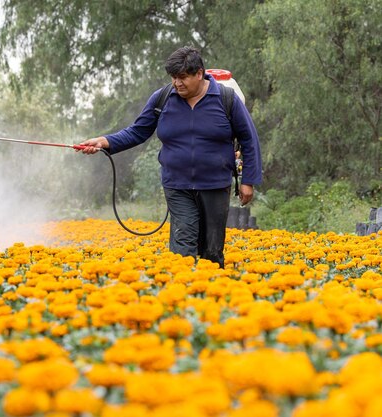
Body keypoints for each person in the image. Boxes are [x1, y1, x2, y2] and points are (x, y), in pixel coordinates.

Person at [79, 46, 262, 268]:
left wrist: (248, 182)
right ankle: (180, 295)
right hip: (177, 185)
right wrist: (104, 142)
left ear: (199, 73)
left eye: (183, 77)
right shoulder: (163, 99)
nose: (177, 83)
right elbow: (138, 131)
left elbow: (249, 140)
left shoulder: (226, 99)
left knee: (212, 251)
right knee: (182, 247)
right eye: (174, 78)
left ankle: (210, 295)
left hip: (215, 184)